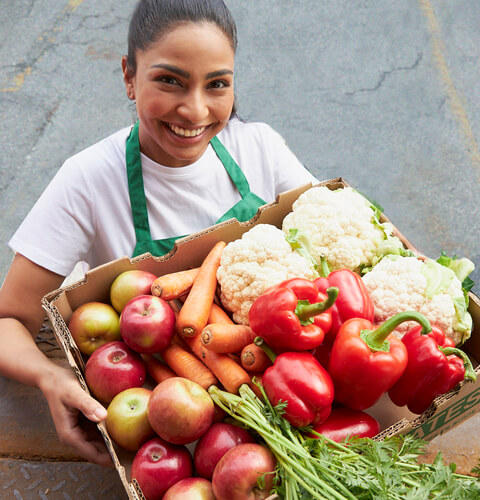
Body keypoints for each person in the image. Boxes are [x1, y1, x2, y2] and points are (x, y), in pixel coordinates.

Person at [0, 0, 317, 467]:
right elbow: (8, 321)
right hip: (161, 417)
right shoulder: (88, 179)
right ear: (129, 76)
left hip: (285, 388)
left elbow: (338, 224)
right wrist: (53, 379)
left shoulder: (260, 148)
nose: (194, 110)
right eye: (169, 81)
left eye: (217, 85)